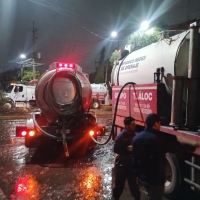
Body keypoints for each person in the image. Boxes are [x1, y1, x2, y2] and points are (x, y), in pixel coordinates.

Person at [132, 113, 197, 200]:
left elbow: (135, 159)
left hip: (143, 177)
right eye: (159, 122)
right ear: (155, 124)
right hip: (156, 180)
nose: (160, 125)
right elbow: (177, 147)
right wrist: (194, 146)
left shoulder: (136, 138)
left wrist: (137, 175)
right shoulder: (158, 139)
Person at [112, 116, 140, 200]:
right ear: (127, 126)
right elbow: (115, 149)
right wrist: (127, 149)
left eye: (135, 124)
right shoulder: (121, 137)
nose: (135, 126)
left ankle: (137, 197)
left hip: (131, 163)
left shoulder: (134, 135)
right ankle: (116, 197)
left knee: (134, 184)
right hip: (122, 163)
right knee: (119, 184)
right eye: (133, 124)